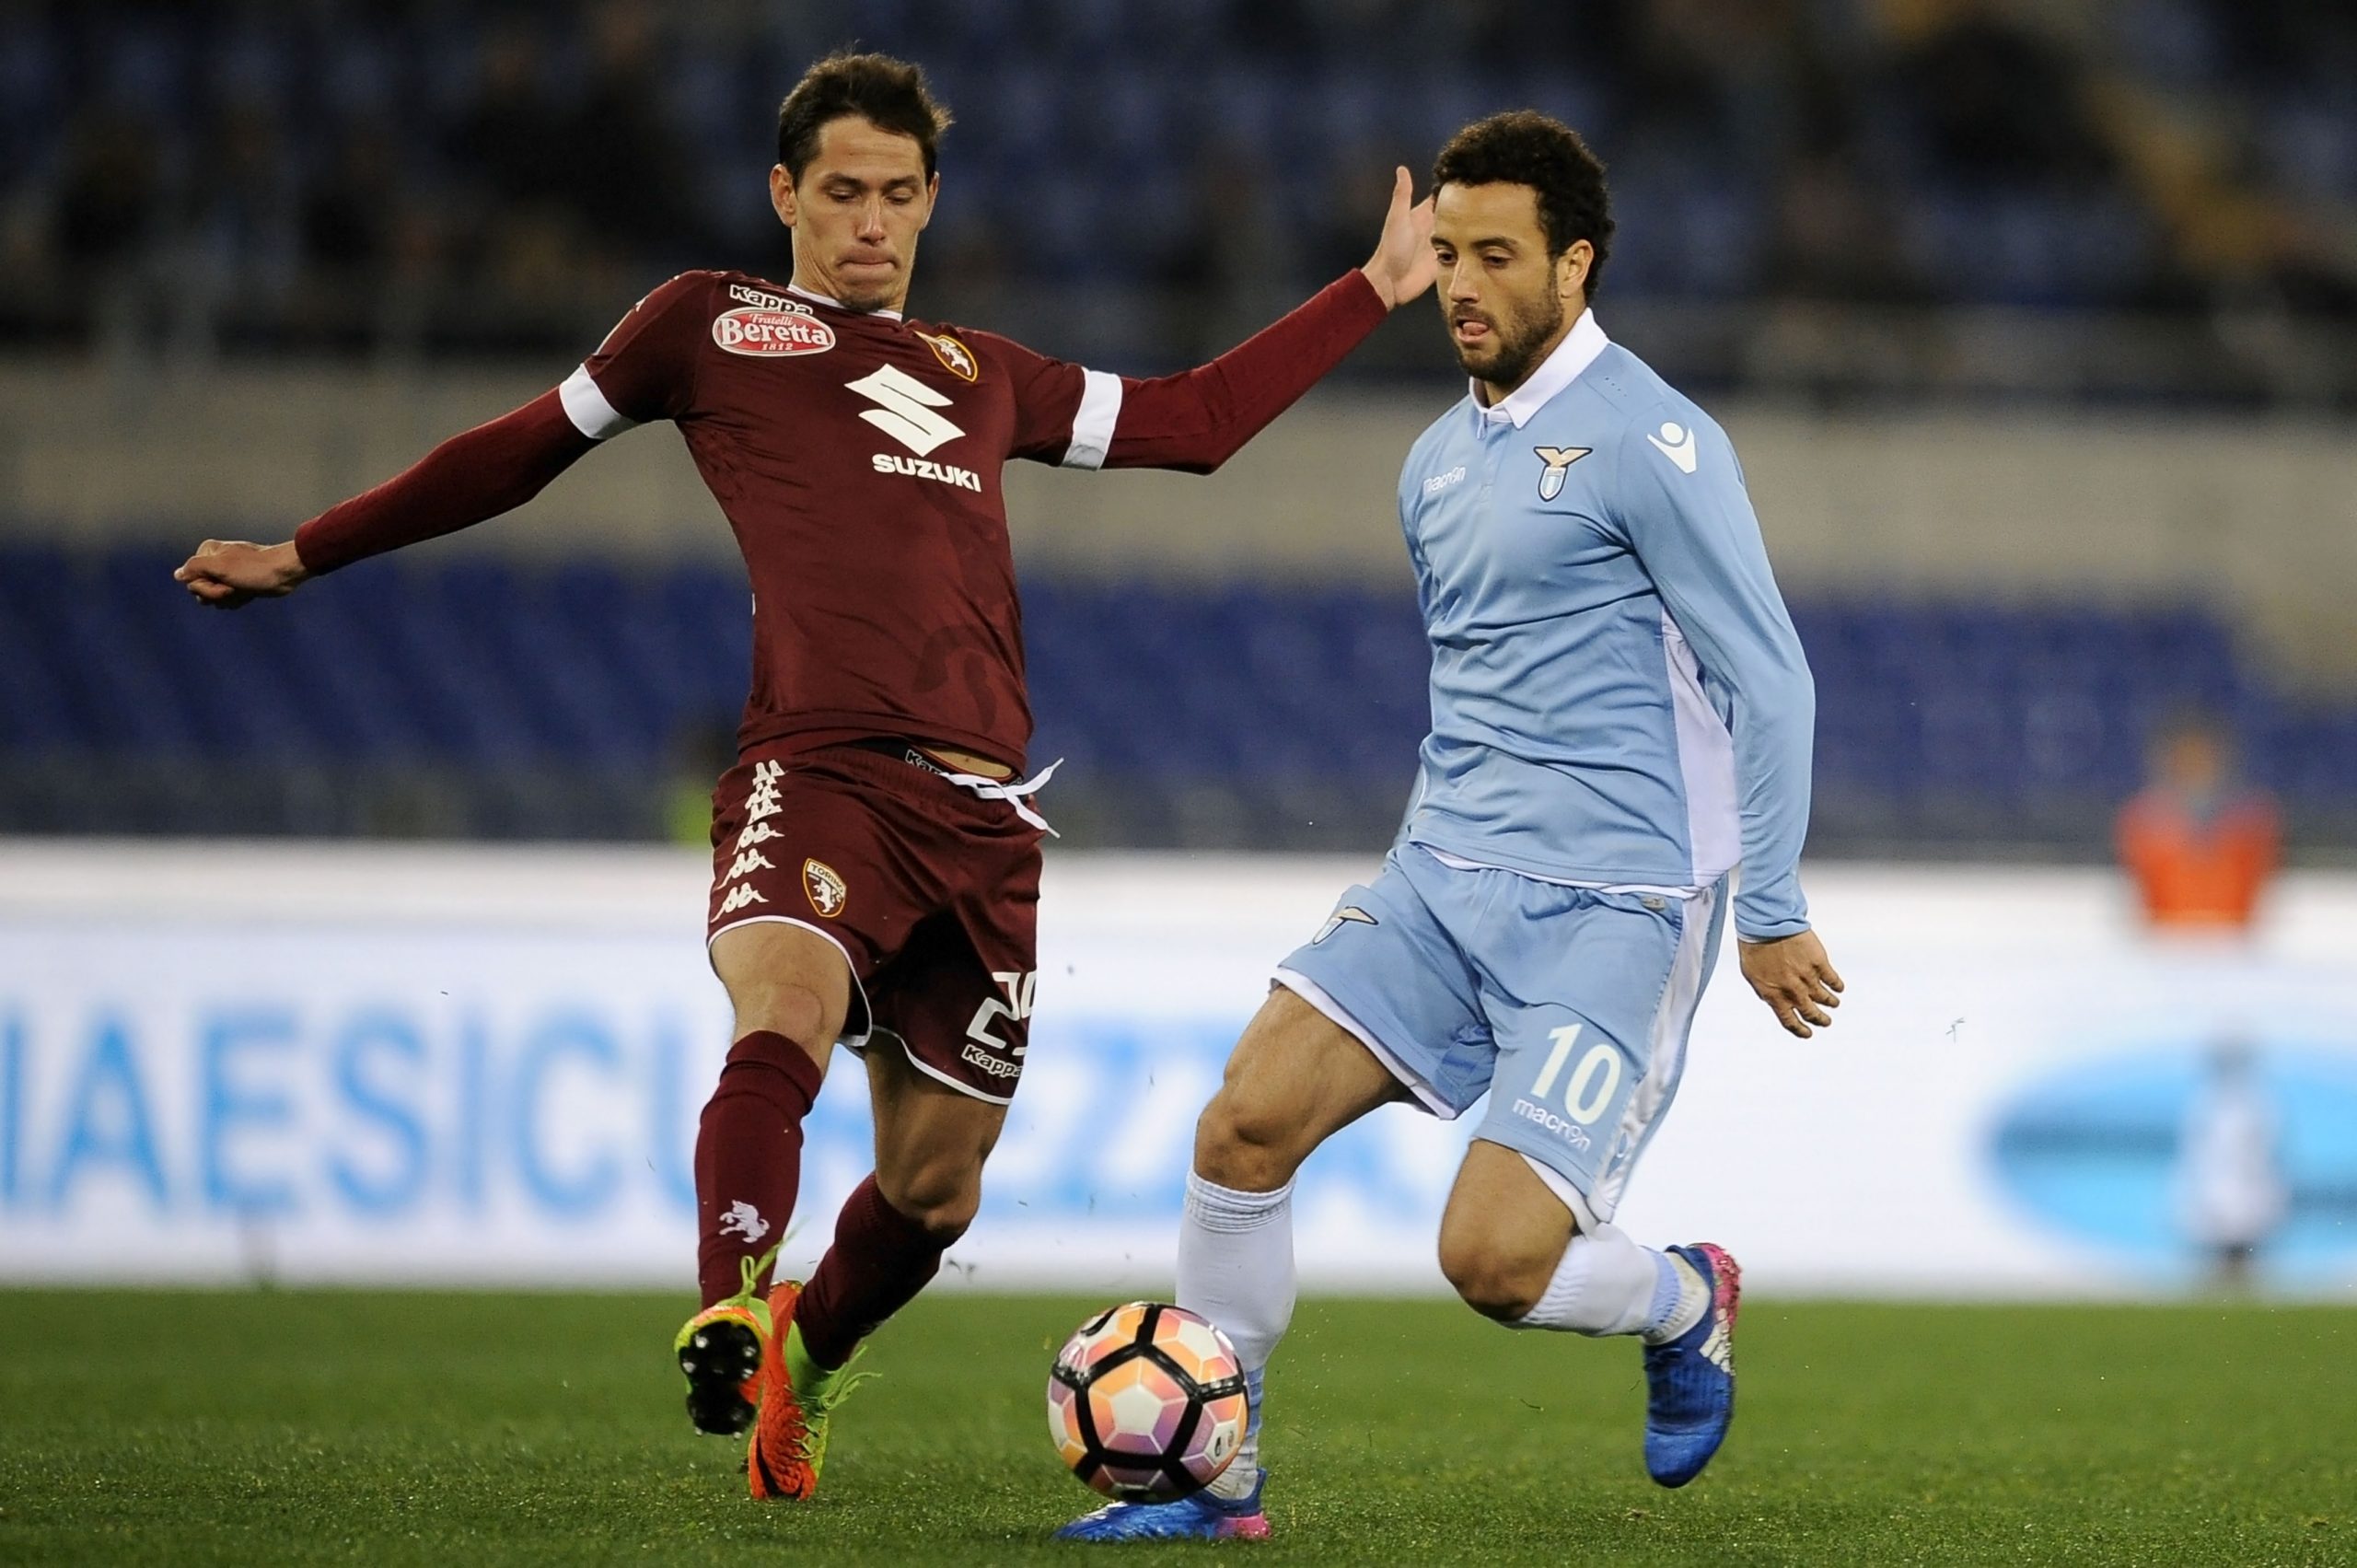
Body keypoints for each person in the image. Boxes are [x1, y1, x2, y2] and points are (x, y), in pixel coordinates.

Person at [173, 52, 1438, 1503]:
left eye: (898, 192)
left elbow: (1194, 424)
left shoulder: (982, 371)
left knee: (934, 1188)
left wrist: (1371, 289)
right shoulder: (710, 323)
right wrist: (307, 550)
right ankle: (727, 1300)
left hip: (982, 818)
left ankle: (804, 1358)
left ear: (931, 199)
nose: (870, 220)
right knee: (783, 1004)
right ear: (785, 192)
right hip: (818, 768)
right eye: (841, 190)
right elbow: (518, 449)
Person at [1062, 111, 1842, 1543]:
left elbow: (1772, 681)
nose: (1461, 286)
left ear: (1575, 265)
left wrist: (1775, 907)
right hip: (1438, 880)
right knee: (1242, 1122)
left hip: (1614, 907)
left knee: (1490, 1259)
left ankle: (1683, 1294)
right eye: (1449, 254)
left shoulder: (1656, 442)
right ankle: (1215, 1479)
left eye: (1496, 256)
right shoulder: (1432, 461)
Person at [2115, 710, 2280, 932]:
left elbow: (2250, 895)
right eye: (2185, 757)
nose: (2194, 765)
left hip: (2233, 941)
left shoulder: (2252, 822)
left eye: (2201, 756)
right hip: (2167, 941)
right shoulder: (2143, 822)